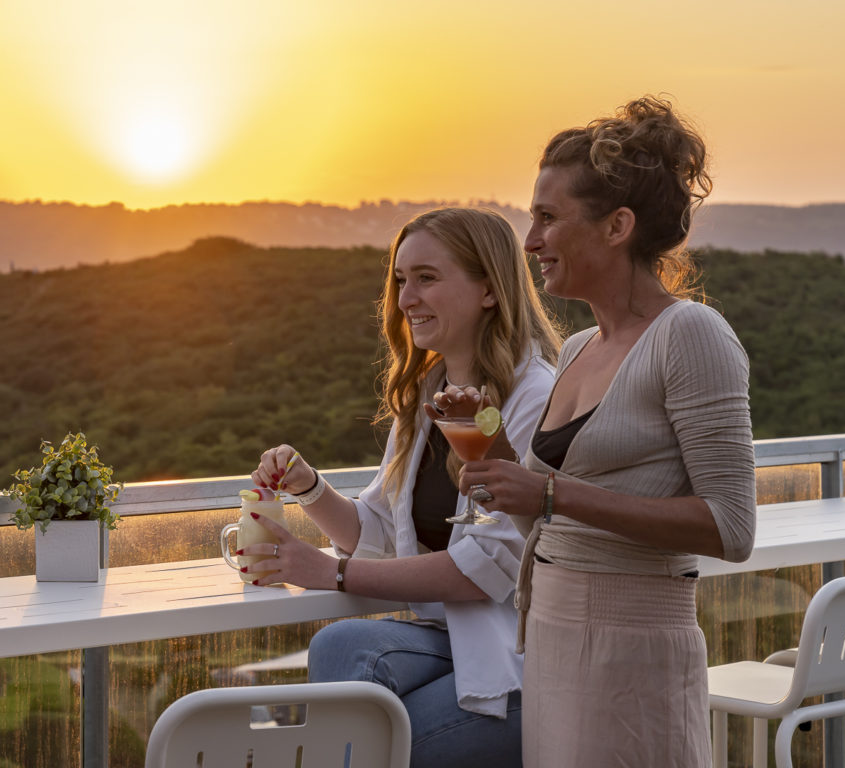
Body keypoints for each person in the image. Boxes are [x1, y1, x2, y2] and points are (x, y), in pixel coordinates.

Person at [458, 97, 756, 766]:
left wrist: (554, 500)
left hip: (633, 648)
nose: (529, 242)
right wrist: (480, 438)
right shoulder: (579, 348)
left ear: (617, 225)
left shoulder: (691, 335)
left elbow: (731, 527)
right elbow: (546, 500)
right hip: (553, 639)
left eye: (546, 219)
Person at [245, 207, 561, 766]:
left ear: (489, 289)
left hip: (521, 654)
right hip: (449, 638)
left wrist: (331, 573)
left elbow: (490, 565)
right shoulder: (429, 392)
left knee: (360, 742)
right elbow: (380, 531)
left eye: (426, 278)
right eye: (399, 280)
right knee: (339, 646)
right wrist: (310, 488)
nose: (404, 298)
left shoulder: (535, 394)